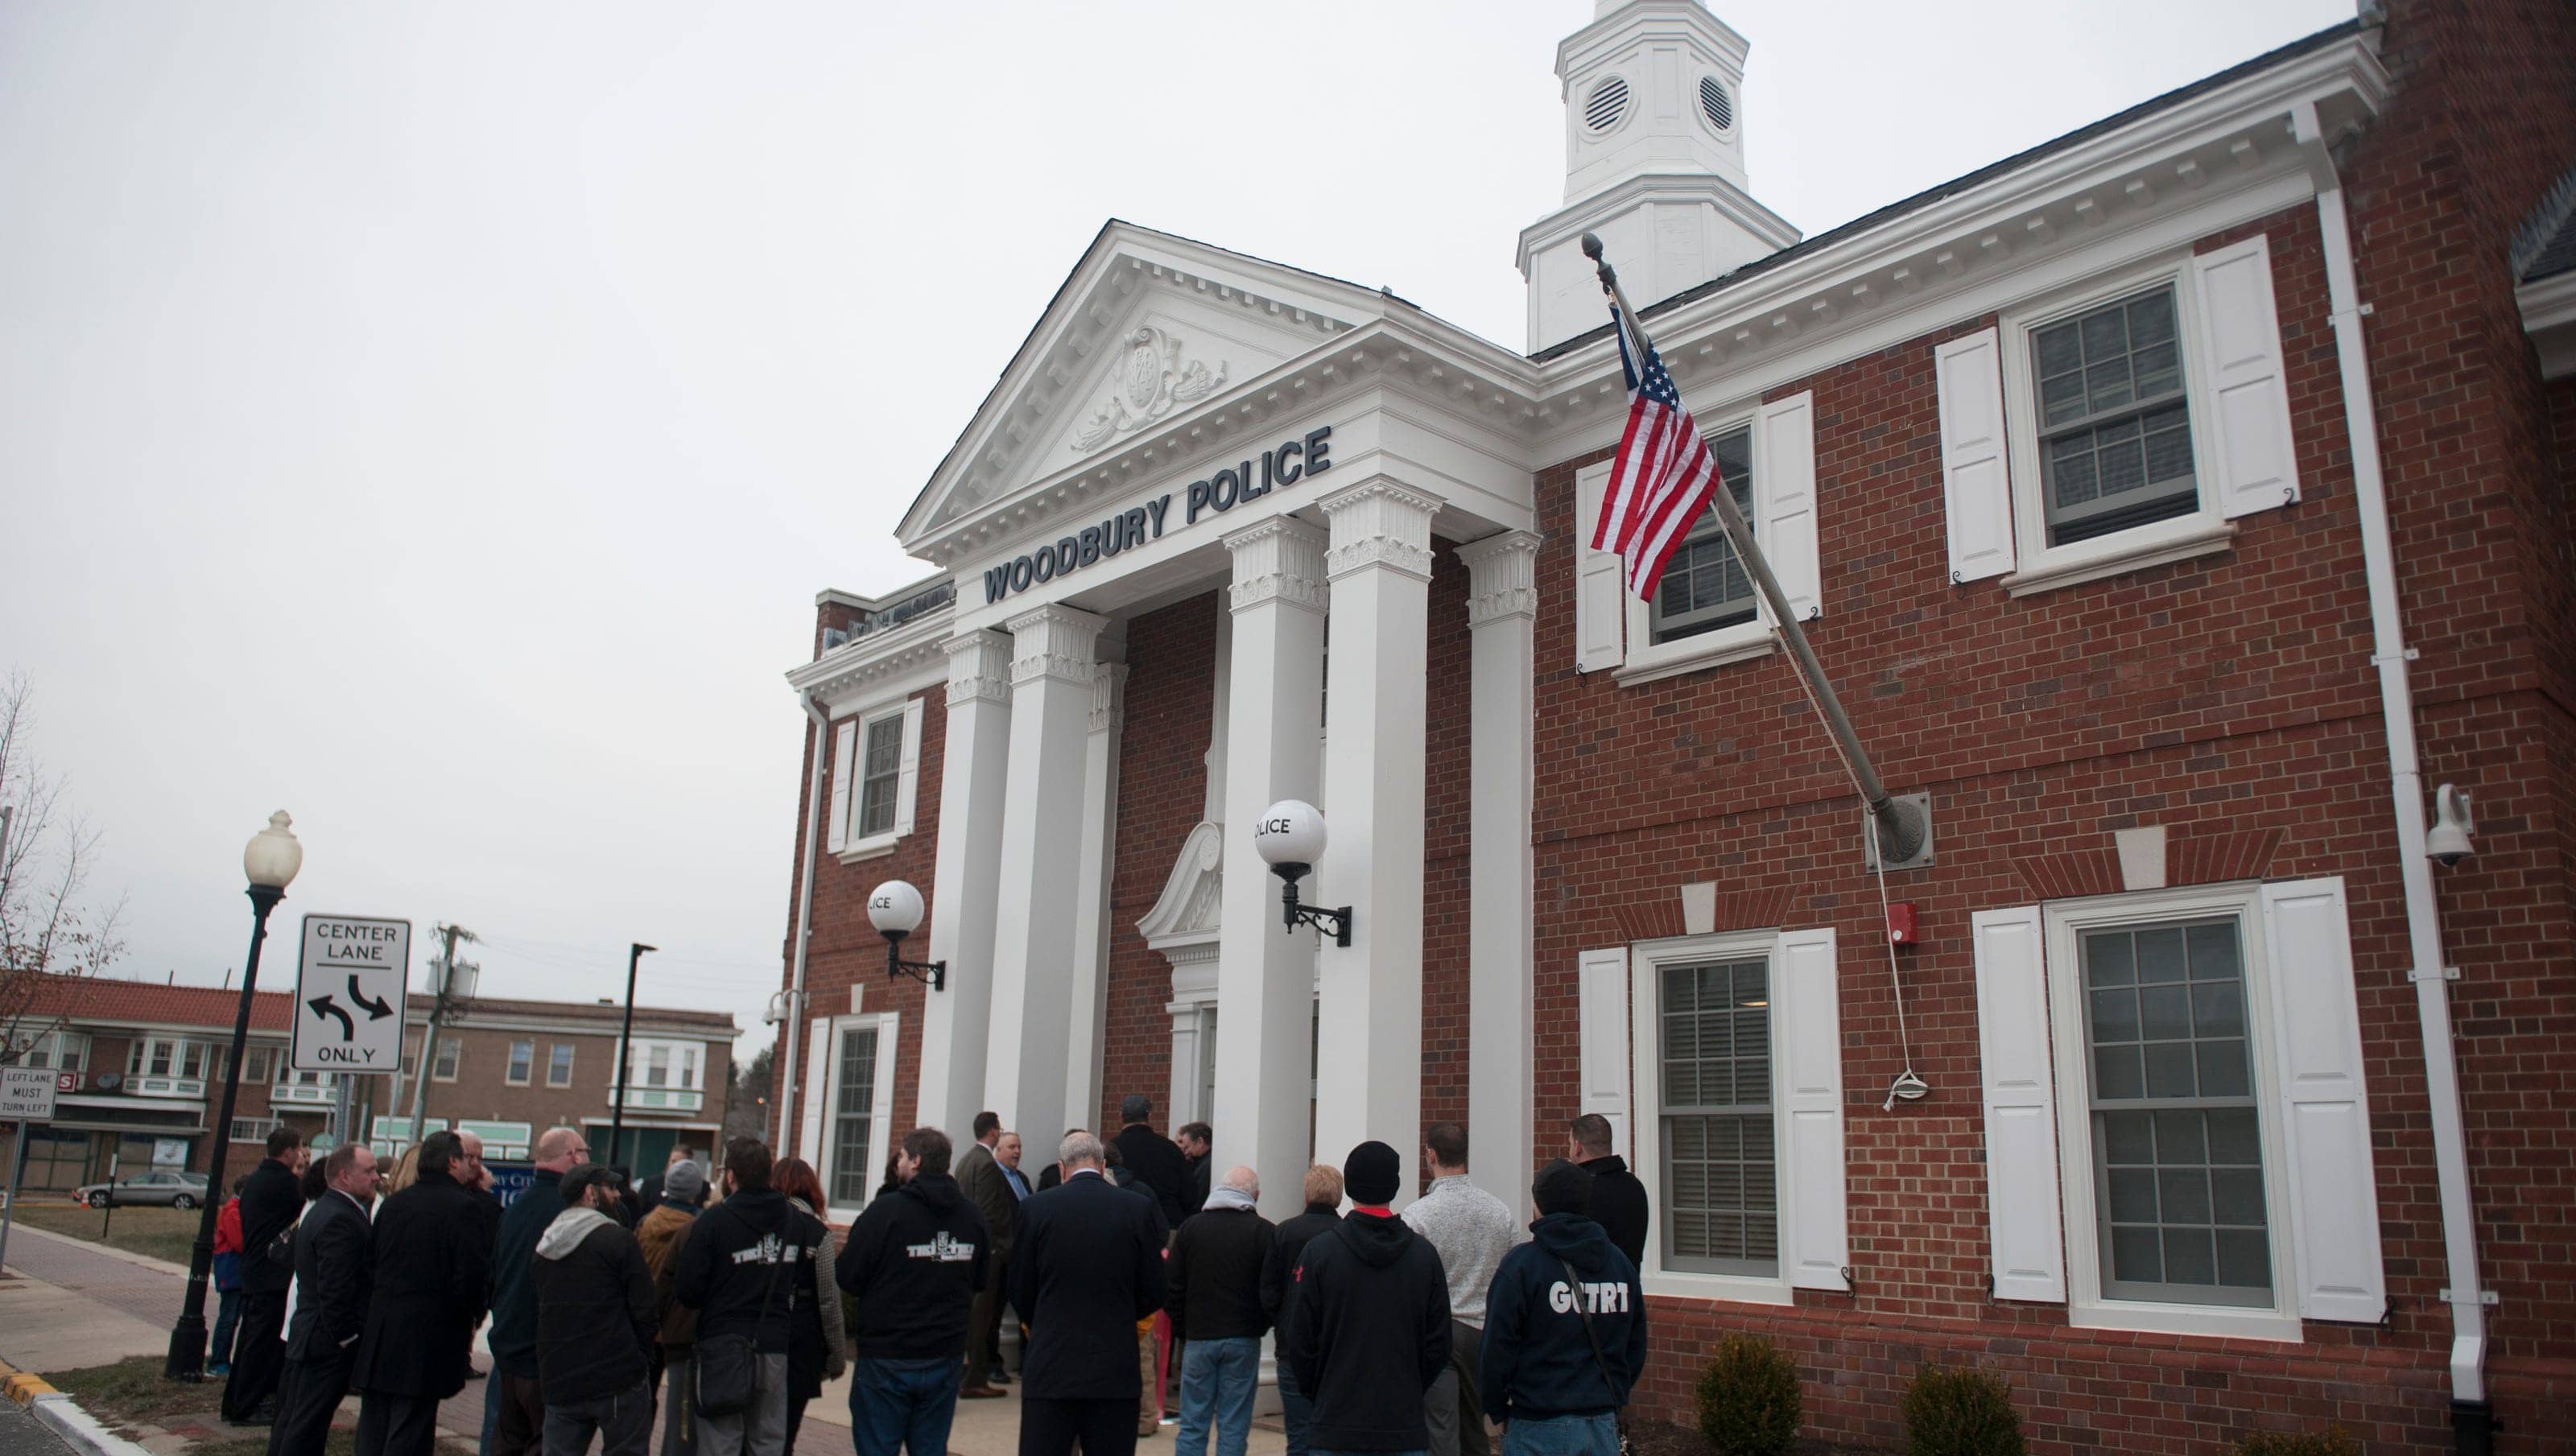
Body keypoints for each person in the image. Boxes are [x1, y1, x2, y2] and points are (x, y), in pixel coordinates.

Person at [1282, 1141, 1450, 1456]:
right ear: (1395, 1186)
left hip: (1335, 1423)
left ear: (1349, 1186)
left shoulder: (1320, 1254)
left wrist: (1320, 1391)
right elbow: (1439, 1342)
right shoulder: (1424, 1257)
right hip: (1401, 1423)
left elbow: (1299, 1340)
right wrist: (1411, 1387)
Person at [1012, 1131, 1167, 1456]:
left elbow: (1021, 1289)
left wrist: (1040, 1323)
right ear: (1102, 1165)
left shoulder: (1035, 1209)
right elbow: (1153, 1289)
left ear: (1061, 1167)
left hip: (1051, 1366)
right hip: (1115, 1366)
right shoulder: (1136, 1208)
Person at [837, 1128, 988, 1456]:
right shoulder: (972, 1217)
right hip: (944, 1352)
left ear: (916, 1161)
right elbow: (979, 1280)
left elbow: (848, 1276)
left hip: (887, 1355)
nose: (899, 1163)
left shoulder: (884, 1213)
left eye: (903, 1157)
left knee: (878, 1447)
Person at [1477, 1161, 1645, 1456]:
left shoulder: (1522, 1267)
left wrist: (1496, 1408)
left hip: (1536, 1424)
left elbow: (1496, 1348)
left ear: (1538, 1205)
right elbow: (1635, 1343)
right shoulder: (1619, 1264)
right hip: (1602, 1424)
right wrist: (1611, 1393)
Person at [674, 1138, 824, 1456]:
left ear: (731, 1176)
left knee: (721, 1438)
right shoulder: (795, 1222)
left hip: (722, 1346)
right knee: (768, 1440)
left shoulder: (713, 1222)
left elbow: (688, 1290)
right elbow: (796, 1277)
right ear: (769, 1174)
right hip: (774, 1345)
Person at [351, 1130, 495, 1456]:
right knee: (412, 1427)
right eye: (465, 1159)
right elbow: (472, 1274)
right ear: (451, 1162)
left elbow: (370, 1264)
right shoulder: (463, 1208)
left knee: (375, 1423)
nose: (470, 1166)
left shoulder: (394, 1204)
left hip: (383, 1331)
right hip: (428, 1336)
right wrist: (475, 1311)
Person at [1404, 1124, 1523, 1456]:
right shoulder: (1499, 1212)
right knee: (1475, 1424)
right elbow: (1513, 1271)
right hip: (1486, 1331)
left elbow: (1409, 1279)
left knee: (1440, 1427)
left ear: (1430, 1154)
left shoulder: (1417, 1216)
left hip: (1440, 1331)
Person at [534, 1164, 659, 1456]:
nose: (617, 1195)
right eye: (611, 1188)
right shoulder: (617, 1240)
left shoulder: (545, 1246)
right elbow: (645, 1307)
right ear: (591, 1194)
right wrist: (640, 1357)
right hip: (617, 1375)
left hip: (560, 1373)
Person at [269, 1145, 378, 1456]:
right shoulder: (339, 1219)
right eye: (368, 1171)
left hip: (313, 1334)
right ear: (344, 1176)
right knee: (306, 1425)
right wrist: (347, 1336)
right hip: (326, 1341)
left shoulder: (326, 1209)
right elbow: (335, 1288)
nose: (376, 1178)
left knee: (298, 1420)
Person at [490, 1128, 588, 1456]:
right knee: (547, 1443)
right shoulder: (570, 1214)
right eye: (586, 1151)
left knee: (507, 1441)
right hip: (546, 1357)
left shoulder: (515, 1209)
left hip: (508, 1349)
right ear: (573, 1156)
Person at [1167, 1167, 1273, 1456]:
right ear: (1256, 1196)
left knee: (1192, 1423)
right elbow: (1271, 1290)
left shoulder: (1191, 1228)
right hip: (1243, 1337)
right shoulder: (1263, 1231)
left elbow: (1173, 1285)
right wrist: (1260, 1325)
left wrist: (1183, 1328)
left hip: (1199, 1336)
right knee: (1234, 1424)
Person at [224, 1126, 309, 1424]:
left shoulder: (258, 1179)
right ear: (288, 1152)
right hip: (272, 1275)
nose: (301, 1155)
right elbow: (308, 1201)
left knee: (250, 1340)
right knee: (263, 1344)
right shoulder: (285, 1183)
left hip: (253, 1271)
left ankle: (235, 1402)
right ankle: (249, 1405)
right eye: (299, 1149)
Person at [1260, 1165, 1344, 1456]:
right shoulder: (1345, 1234)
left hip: (1292, 1347)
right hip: (1337, 1349)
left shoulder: (1284, 1232)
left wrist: (1282, 1320)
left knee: (1298, 1436)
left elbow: (1268, 1290)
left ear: (1307, 1194)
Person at [772, 1157, 850, 1450]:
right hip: (802, 1339)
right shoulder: (817, 1233)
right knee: (787, 1432)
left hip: (761, 1332)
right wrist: (836, 1355)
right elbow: (829, 1299)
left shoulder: (763, 1224)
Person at [640, 1160, 710, 1456]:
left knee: (642, 1404)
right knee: (682, 1416)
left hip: (648, 1325)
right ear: (696, 1192)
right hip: (683, 1330)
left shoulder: (645, 1225)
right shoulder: (702, 1230)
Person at [952, 1112, 1013, 1397]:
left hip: (967, 1250)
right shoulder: (986, 1164)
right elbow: (989, 1213)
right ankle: (975, 1379)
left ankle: (969, 1374)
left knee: (973, 1316)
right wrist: (998, 1250)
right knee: (980, 1318)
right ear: (992, 1132)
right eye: (999, 1130)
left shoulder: (965, 1161)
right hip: (986, 1253)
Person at [1564, 1117, 1646, 1272]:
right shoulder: (1635, 1186)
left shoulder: (1578, 1191)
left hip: (1587, 1290)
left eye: (1570, 1143)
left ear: (1577, 1147)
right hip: (1627, 1287)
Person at [1110, 1095, 1191, 1231]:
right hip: (1167, 1222)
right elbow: (1188, 1192)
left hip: (1124, 1224)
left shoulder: (1112, 1148)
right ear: (1149, 1115)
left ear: (1120, 1116)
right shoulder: (1170, 1148)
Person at [210, 1175, 249, 1377]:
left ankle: (224, 1360)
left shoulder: (237, 1209)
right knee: (229, 1317)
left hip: (236, 1270)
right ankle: (218, 1361)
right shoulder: (232, 1211)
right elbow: (240, 1241)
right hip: (231, 1268)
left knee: (233, 1317)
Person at [638, 1145, 695, 1211]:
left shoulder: (694, 1189)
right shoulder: (650, 1184)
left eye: (680, 1163)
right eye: (673, 1161)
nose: (675, 1166)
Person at [1175, 1124, 1212, 1220]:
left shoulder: (1205, 1167)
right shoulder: (1203, 1163)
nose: (1186, 1152)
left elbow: (1197, 1199)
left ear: (1200, 1142)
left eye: (1187, 1147)